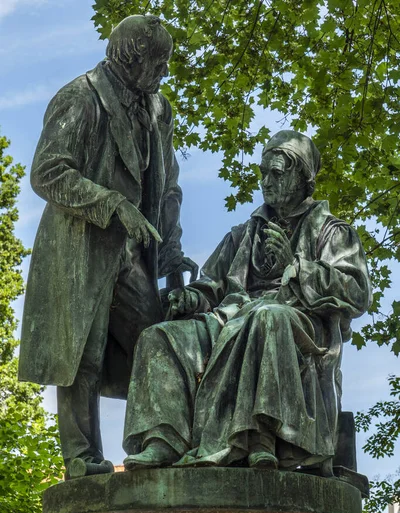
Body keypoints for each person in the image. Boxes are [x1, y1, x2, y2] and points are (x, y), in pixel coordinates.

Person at [123, 130, 371, 473]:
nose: (266, 182)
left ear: (303, 179)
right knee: (160, 336)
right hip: (232, 316)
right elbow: (212, 284)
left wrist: (296, 268)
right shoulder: (244, 233)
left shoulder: (333, 232)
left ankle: (261, 438)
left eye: (277, 173)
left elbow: (357, 292)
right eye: (263, 173)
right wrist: (191, 296)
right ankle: (163, 439)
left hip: (298, 322)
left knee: (267, 317)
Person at [18, 15, 197, 477]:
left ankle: (159, 443)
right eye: (158, 63)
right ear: (130, 56)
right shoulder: (81, 97)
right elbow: (48, 172)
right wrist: (112, 203)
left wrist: (172, 251)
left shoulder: (160, 109)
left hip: (132, 255)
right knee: (83, 355)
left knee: (155, 344)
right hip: (80, 247)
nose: (163, 73)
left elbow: (169, 186)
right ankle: (80, 460)